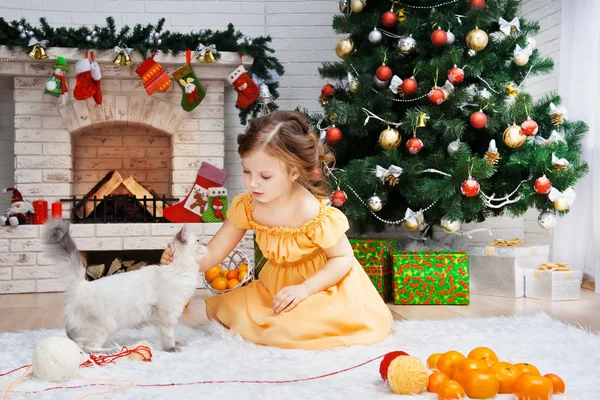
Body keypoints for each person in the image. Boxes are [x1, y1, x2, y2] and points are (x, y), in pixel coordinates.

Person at [160, 110, 393, 350]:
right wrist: (183, 258)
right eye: (247, 171)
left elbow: (343, 258)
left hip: (321, 287)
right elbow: (213, 253)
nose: (253, 183)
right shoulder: (248, 206)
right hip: (275, 288)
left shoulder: (309, 209)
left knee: (296, 328)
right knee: (236, 311)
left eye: (265, 176)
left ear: (293, 172)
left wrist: (304, 289)